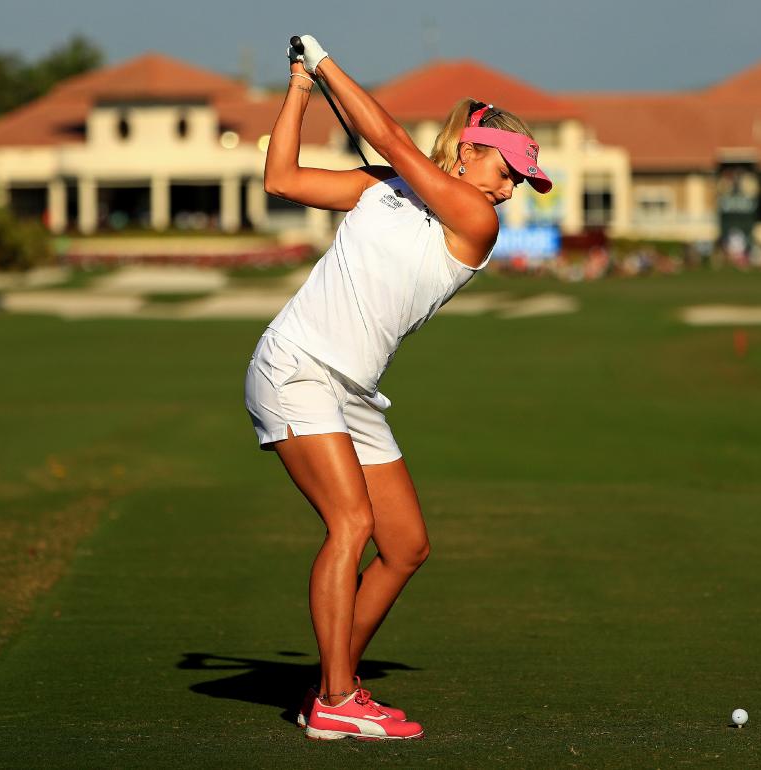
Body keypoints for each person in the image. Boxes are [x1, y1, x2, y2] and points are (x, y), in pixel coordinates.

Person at [243, 34, 552, 742]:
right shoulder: (384, 187)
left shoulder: (476, 222)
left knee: (406, 543)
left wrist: (326, 66)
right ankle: (338, 699)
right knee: (351, 523)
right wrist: (300, 87)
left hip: (349, 389)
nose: (510, 191)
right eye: (509, 172)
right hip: (296, 367)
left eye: (519, 183)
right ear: (471, 150)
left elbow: (388, 134)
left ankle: (329, 682)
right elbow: (283, 180)